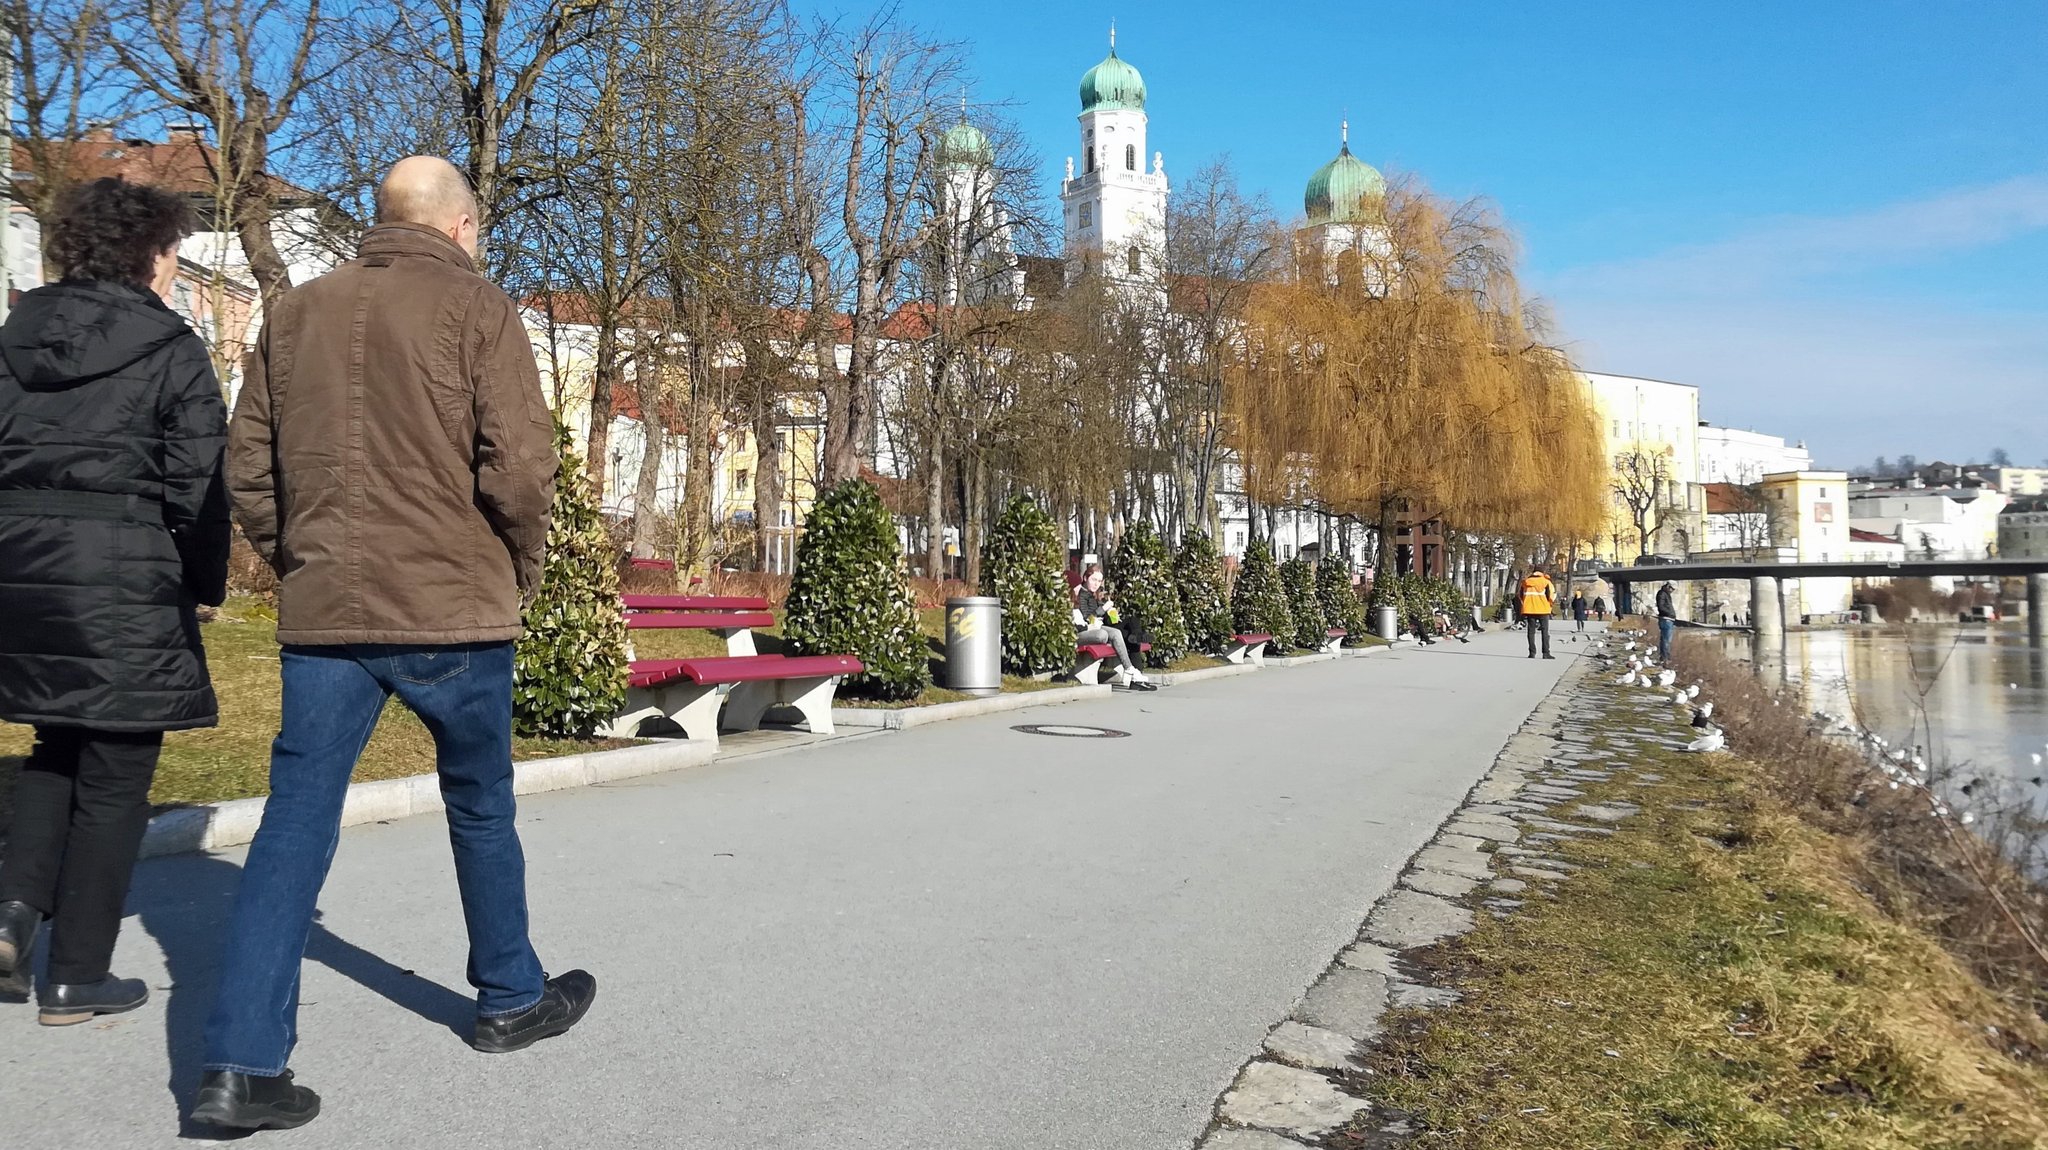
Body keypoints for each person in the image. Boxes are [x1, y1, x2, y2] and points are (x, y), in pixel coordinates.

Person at [192, 157, 592, 1131]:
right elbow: (522, 469)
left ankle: (239, 1065)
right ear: (460, 227)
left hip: (330, 615)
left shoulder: (291, 314)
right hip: (453, 608)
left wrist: (304, 560)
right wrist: (520, 572)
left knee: (292, 825)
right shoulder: (479, 307)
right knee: (480, 805)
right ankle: (507, 995)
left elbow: (245, 467)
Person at [0, 178, 229, 1024]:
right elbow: (200, 488)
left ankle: (13, 914)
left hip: (21, 571)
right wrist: (203, 584)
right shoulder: (171, 348)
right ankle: (76, 976)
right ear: (149, 254)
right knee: (117, 771)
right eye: (173, 253)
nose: (176, 269)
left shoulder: (11, 338)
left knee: (55, 741)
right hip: (124, 570)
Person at [1074, 564, 1156, 690]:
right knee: (1123, 635)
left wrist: (1111, 612)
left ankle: (1137, 636)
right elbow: (1088, 619)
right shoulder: (1081, 595)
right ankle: (1135, 673)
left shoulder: (1094, 594)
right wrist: (1103, 609)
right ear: (1085, 578)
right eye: (1093, 580)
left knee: (1132, 623)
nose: (1096, 584)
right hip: (1095, 627)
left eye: (1099, 581)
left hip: (1105, 624)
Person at [1519, 565, 1557, 660]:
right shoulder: (1546, 582)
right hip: (1543, 610)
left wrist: (1526, 603)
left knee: (1531, 632)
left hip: (1529, 609)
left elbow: (1520, 595)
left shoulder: (1525, 582)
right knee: (1545, 632)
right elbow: (1551, 596)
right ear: (1542, 572)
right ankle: (1546, 653)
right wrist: (1550, 605)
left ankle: (1532, 653)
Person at [1656, 581, 1678, 663]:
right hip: (1666, 619)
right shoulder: (1662, 594)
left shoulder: (1665, 594)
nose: (1672, 590)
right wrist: (1670, 613)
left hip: (1668, 619)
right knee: (1666, 640)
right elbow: (1661, 606)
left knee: (1665, 640)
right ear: (1668, 586)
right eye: (1672, 588)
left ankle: (1664, 657)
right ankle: (1666, 658)